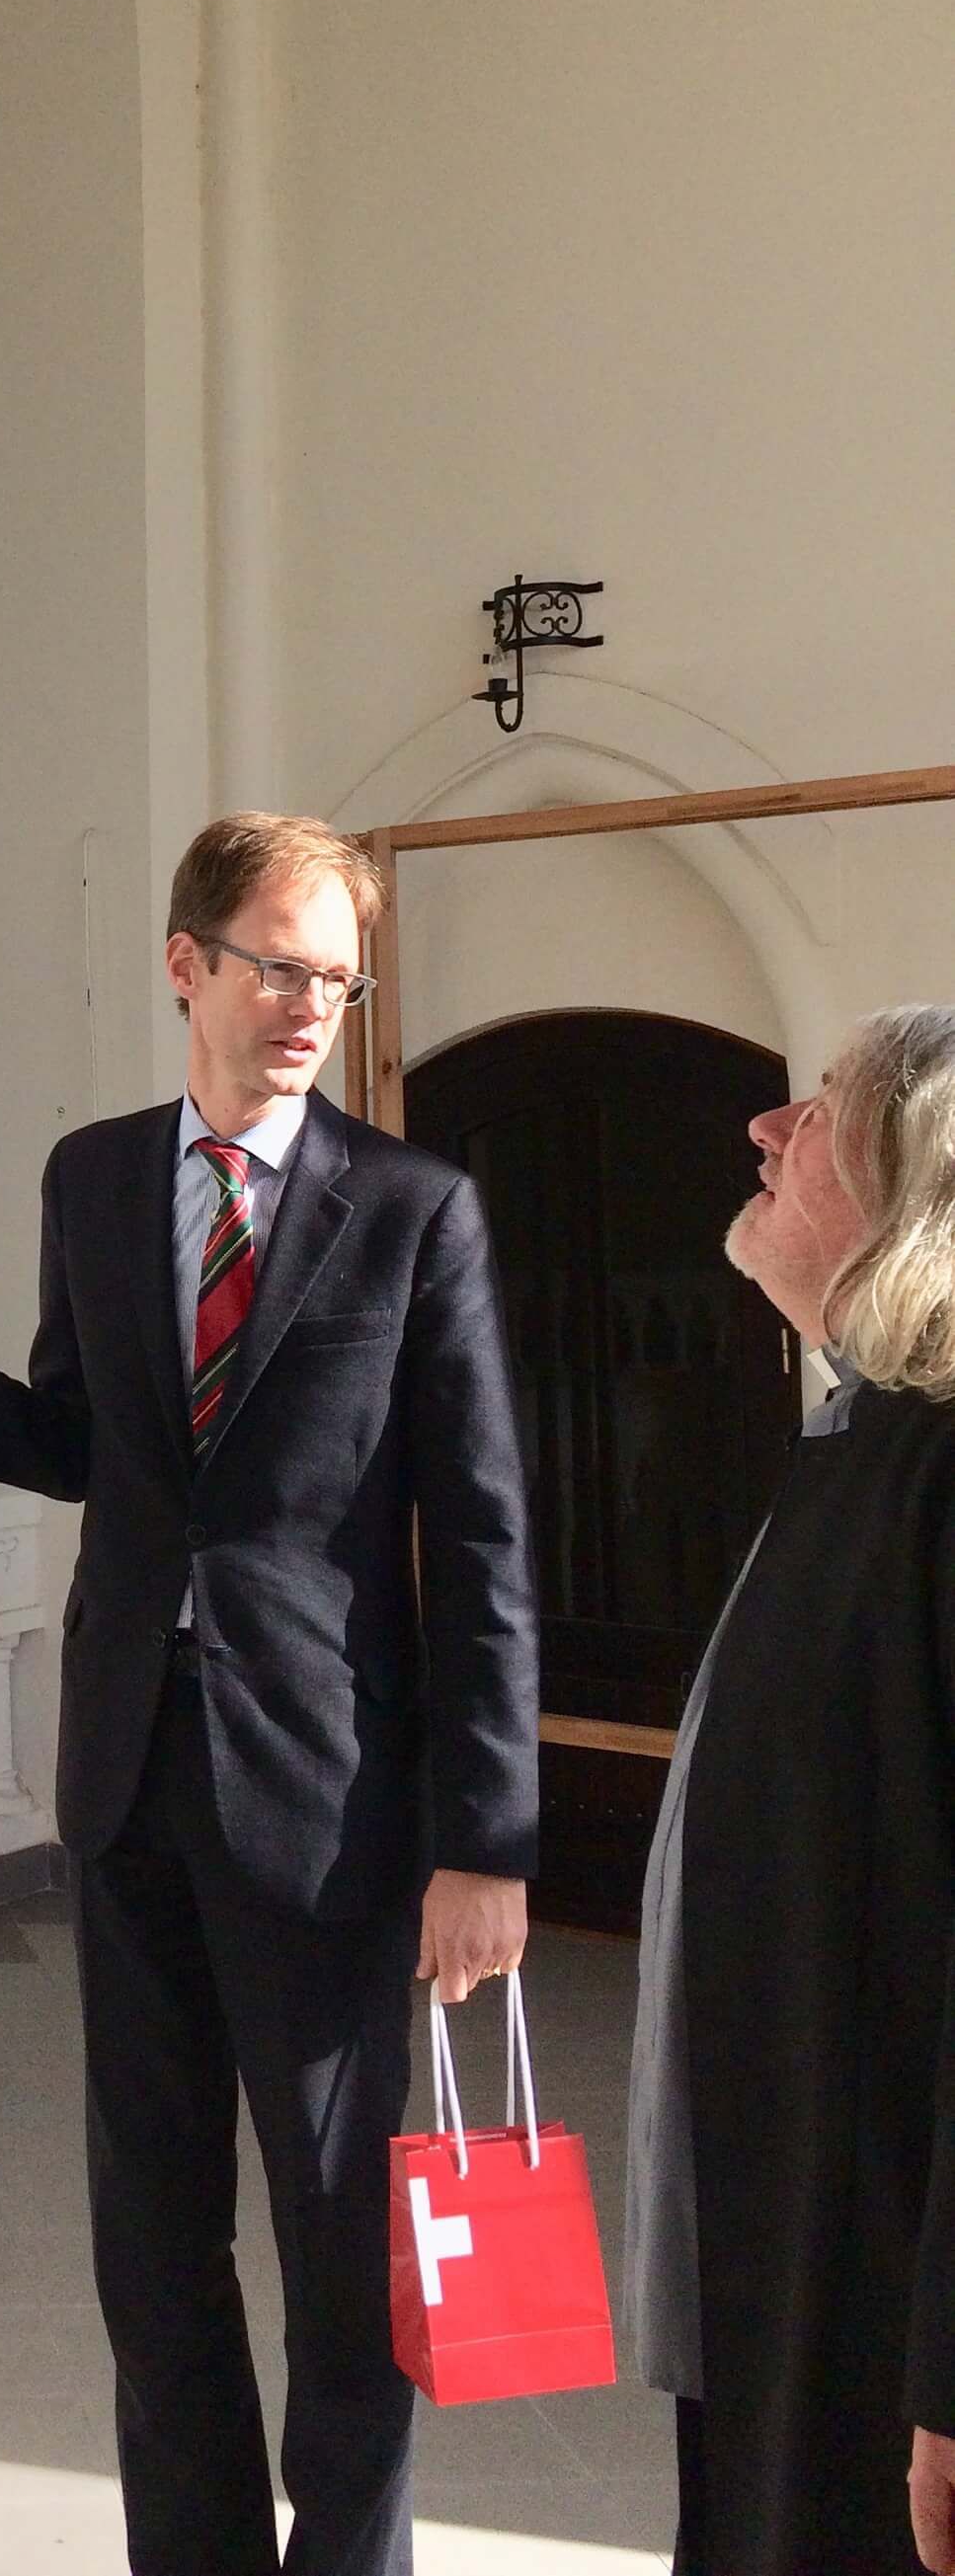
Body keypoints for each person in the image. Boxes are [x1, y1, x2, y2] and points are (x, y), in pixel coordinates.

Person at [0, 812, 538, 2576]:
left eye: (335, 979)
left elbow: (484, 1536)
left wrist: (488, 1838)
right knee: (151, 2243)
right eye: (278, 967)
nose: (309, 1007)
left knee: (345, 2240)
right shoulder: (93, 1177)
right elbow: (89, 1444)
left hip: (333, 1804)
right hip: (128, 1773)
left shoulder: (414, 1210)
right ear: (185, 965)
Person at [627, 1005, 955, 2576]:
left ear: (909, 1188)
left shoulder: (936, 1475)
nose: (767, 1128)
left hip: (877, 2293)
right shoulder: (855, 1438)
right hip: (783, 2250)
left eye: (820, 1109)